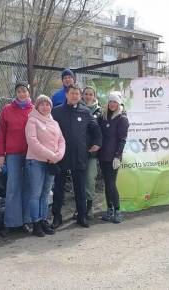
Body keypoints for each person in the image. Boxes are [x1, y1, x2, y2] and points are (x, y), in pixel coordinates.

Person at [51, 84, 102, 228]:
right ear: (66, 94)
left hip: (80, 155)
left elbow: (96, 129)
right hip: (61, 156)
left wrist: (97, 143)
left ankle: (82, 216)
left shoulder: (85, 112)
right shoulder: (56, 112)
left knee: (80, 188)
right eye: (72, 93)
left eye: (77, 94)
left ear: (80, 97)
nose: (74, 96)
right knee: (59, 189)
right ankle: (57, 217)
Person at [24, 95, 65, 237]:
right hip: (36, 162)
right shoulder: (32, 121)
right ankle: (35, 223)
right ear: (37, 106)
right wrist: (51, 155)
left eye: (47, 104)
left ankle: (43, 220)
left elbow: (61, 141)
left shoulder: (54, 123)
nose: (45, 107)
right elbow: (33, 143)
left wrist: (58, 156)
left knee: (46, 194)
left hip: (51, 162)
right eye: (42, 104)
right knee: (36, 194)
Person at [0, 81, 33, 234]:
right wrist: (0, 154)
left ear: (28, 93)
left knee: (29, 188)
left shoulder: (35, 109)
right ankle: (11, 223)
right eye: (19, 91)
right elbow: (1, 133)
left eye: (24, 91)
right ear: (16, 93)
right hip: (13, 155)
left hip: (31, 155)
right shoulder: (7, 110)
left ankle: (26, 221)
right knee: (12, 188)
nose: (22, 94)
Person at [98, 91, 129, 223]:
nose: (112, 104)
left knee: (111, 183)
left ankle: (117, 210)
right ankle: (109, 210)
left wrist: (117, 156)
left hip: (113, 157)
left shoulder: (122, 118)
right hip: (103, 155)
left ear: (119, 103)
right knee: (107, 183)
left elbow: (122, 139)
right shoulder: (103, 117)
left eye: (115, 102)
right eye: (110, 101)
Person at [82, 86, 102, 219]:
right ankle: (80, 207)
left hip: (92, 153)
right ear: (82, 96)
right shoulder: (77, 109)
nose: (88, 96)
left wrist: (98, 145)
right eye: (86, 94)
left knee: (89, 179)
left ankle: (89, 207)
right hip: (78, 152)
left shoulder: (100, 112)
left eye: (91, 94)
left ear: (94, 96)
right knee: (79, 181)